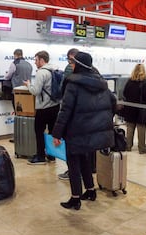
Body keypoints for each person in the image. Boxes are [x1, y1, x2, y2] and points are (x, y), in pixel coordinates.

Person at [51, 52, 116, 210]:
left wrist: (57, 133)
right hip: (90, 130)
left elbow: (65, 110)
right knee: (85, 160)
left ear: (78, 64)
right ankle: (91, 190)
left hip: (75, 130)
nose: (71, 65)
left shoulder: (73, 84)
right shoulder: (101, 82)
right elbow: (113, 103)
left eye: (72, 62)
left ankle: (75, 198)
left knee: (73, 164)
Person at [23, 50, 60, 164]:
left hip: (43, 108)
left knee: (39, 131)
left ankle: (40, 156)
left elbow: (35, 91)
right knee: (52, 132)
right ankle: (52, 155)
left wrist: (29, 84)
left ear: (42, 60)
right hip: (55, 105)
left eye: (36, 60)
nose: (35, 62)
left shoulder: (41, 72)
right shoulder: (55, 69)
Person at [58, 48, 79, 180]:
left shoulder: (69, 69)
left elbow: (63, 89)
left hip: (73, 114)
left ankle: (72, 171)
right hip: (86, 116)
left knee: (71, 146)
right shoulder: (92, 70)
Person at [122, 63, 146, 154]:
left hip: (130, 108)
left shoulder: (129, 82)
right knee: (141, 128)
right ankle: (142, 148)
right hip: (142, 109)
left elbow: (125, 93)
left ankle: (128, 146)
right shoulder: (145, 83)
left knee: (130, 128)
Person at [4, 49, 33, 143]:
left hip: (17, 93)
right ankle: (27, 136)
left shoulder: (14, 63)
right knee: (27, 115)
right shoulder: (29, 64)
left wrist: (5, 77)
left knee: (18, 114)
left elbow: (8, 76)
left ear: (15, 55)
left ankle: (18, 137)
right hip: (28, 92)